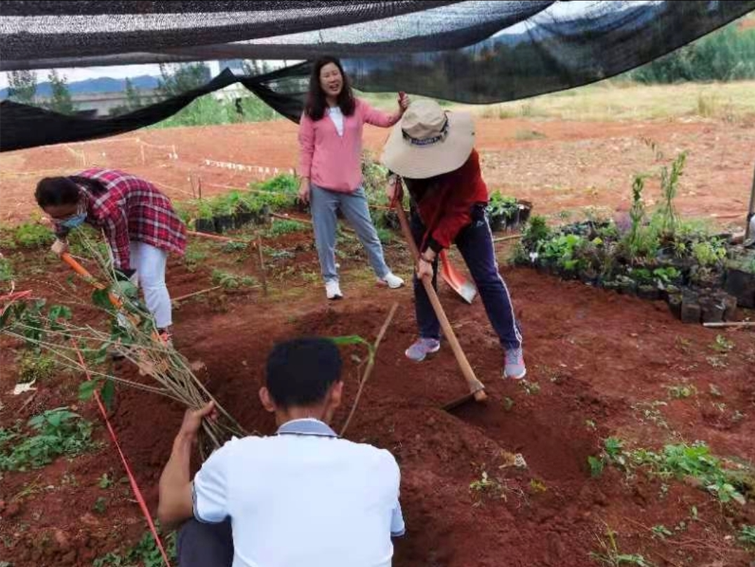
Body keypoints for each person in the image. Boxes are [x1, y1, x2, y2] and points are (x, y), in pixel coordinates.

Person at [158, 337, 406, 567]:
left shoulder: (237, 459)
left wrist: (185, 436)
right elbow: (394, 532)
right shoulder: (380, 464)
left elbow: (168, 512)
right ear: (337, 393)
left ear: (266, 398)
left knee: (198, 529)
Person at [381, 100, 526, 379]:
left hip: (465, 216)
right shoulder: (408, 137)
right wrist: (392, 178)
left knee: (486, 277)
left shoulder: (466, 159)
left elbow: (458, 212)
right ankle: (429, 336)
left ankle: (511, 343)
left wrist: (428, 254)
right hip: (425, 213)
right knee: (422, 277)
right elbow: (391, 157)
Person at [298, 56, 407, 300]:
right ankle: (331, 281)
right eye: (326, 75)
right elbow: (305, 148)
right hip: (322, 185)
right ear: (318, 81)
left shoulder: (356, 106)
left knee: (368, 232)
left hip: (351, 185)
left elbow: (384, 120)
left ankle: (383, 273)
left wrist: (400, 110)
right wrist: (304, 180)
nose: (332, 79)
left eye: (335, 73)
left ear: (342, 76)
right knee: (325, 238)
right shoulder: (311, 113)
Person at [35, 169, 186, 343]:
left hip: (151, 212)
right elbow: (61, 218)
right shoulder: (59, 194)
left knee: (150, 277)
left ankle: (162, 334)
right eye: (57, 217)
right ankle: (125, 333)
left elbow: (120, 249)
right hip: (123, 212)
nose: (65, 219)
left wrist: (122, 280)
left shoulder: (107, 207)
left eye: (69, 214)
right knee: (125, 281)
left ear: (80, 199)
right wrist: (61, 238)